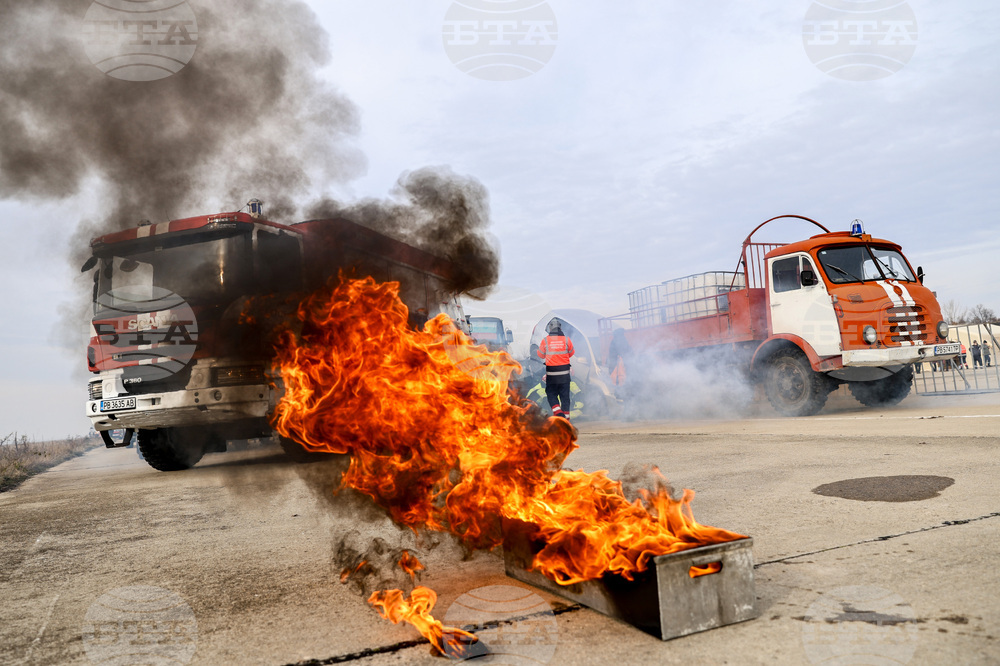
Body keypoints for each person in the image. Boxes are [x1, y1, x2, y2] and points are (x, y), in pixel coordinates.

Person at [537, 318, 575, 420]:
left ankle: (558, 414)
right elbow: (571, 353)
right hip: (565, 374)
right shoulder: (567, 340)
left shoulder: (545, 340)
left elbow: (540, 355)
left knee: (551, 394)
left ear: (550, 328)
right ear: (560, 328)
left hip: (552, 375)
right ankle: (565, 420)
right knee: (565, 397)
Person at [606, 328, 631, 396]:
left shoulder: (614, 340)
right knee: (620, 379)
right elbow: (624, 351)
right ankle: (621, 395)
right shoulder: (621, 339)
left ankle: (619, 394)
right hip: (618, 363)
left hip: (614, 363)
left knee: (617, 379)